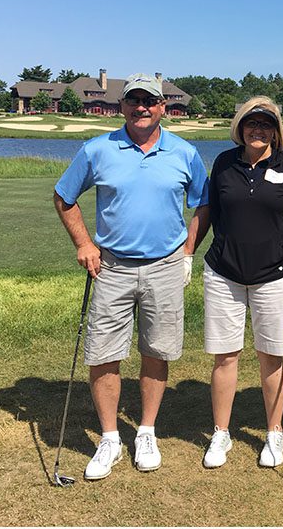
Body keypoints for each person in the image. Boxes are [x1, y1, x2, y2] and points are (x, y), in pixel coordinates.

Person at [53, 73, 210, 481]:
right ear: (122, 106)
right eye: (133, 100)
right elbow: (64, 197)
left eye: (150, 101)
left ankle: (146, 431)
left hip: (165, 265)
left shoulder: (184, 152)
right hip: (112, 267)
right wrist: (84, 244)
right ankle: (109, 438)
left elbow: (203, 203)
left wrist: (189, 251)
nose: (142, 107)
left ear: (163, 107)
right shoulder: (97, 149)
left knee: (157, 350)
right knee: (104, 351)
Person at [199, 96, 283, 469]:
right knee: (225, 355)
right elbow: (212, 210)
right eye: (251, 123)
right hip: (223, 272)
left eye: (265, 125)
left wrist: (278, 255)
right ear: (240, 128)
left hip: (273, 276)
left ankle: (274, 432)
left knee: (271, 355)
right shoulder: (225, 163)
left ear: (276, 132)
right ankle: (221, 433)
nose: (257, 130)